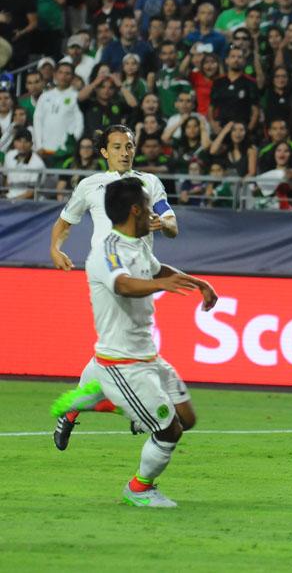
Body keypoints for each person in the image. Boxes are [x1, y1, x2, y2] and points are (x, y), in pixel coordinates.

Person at [49, 177, 217, 507]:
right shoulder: (105, 251)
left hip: (148, 356)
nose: (154, 215)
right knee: (169, 431)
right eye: (148, 207)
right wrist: (161, 286)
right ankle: (139, 489)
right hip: (121, 362)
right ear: (135, 210)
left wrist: (197, 283)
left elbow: (156, 270)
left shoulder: (138, 244)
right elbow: (123, 284)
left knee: (187, 419)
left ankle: (102, 401)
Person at [49, 125, 179, 450]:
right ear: (105, 152)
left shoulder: (149, 183)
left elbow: (172, 224)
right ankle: (138, 410)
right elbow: (64, 223)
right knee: (128, 342)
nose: (124, 152)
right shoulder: (90, 185)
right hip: (107, 273)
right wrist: (55, 248)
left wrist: (163, 224)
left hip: (141, 271)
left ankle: (74, 409)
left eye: (129, 146)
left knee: (118, 346)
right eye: (117, 146)